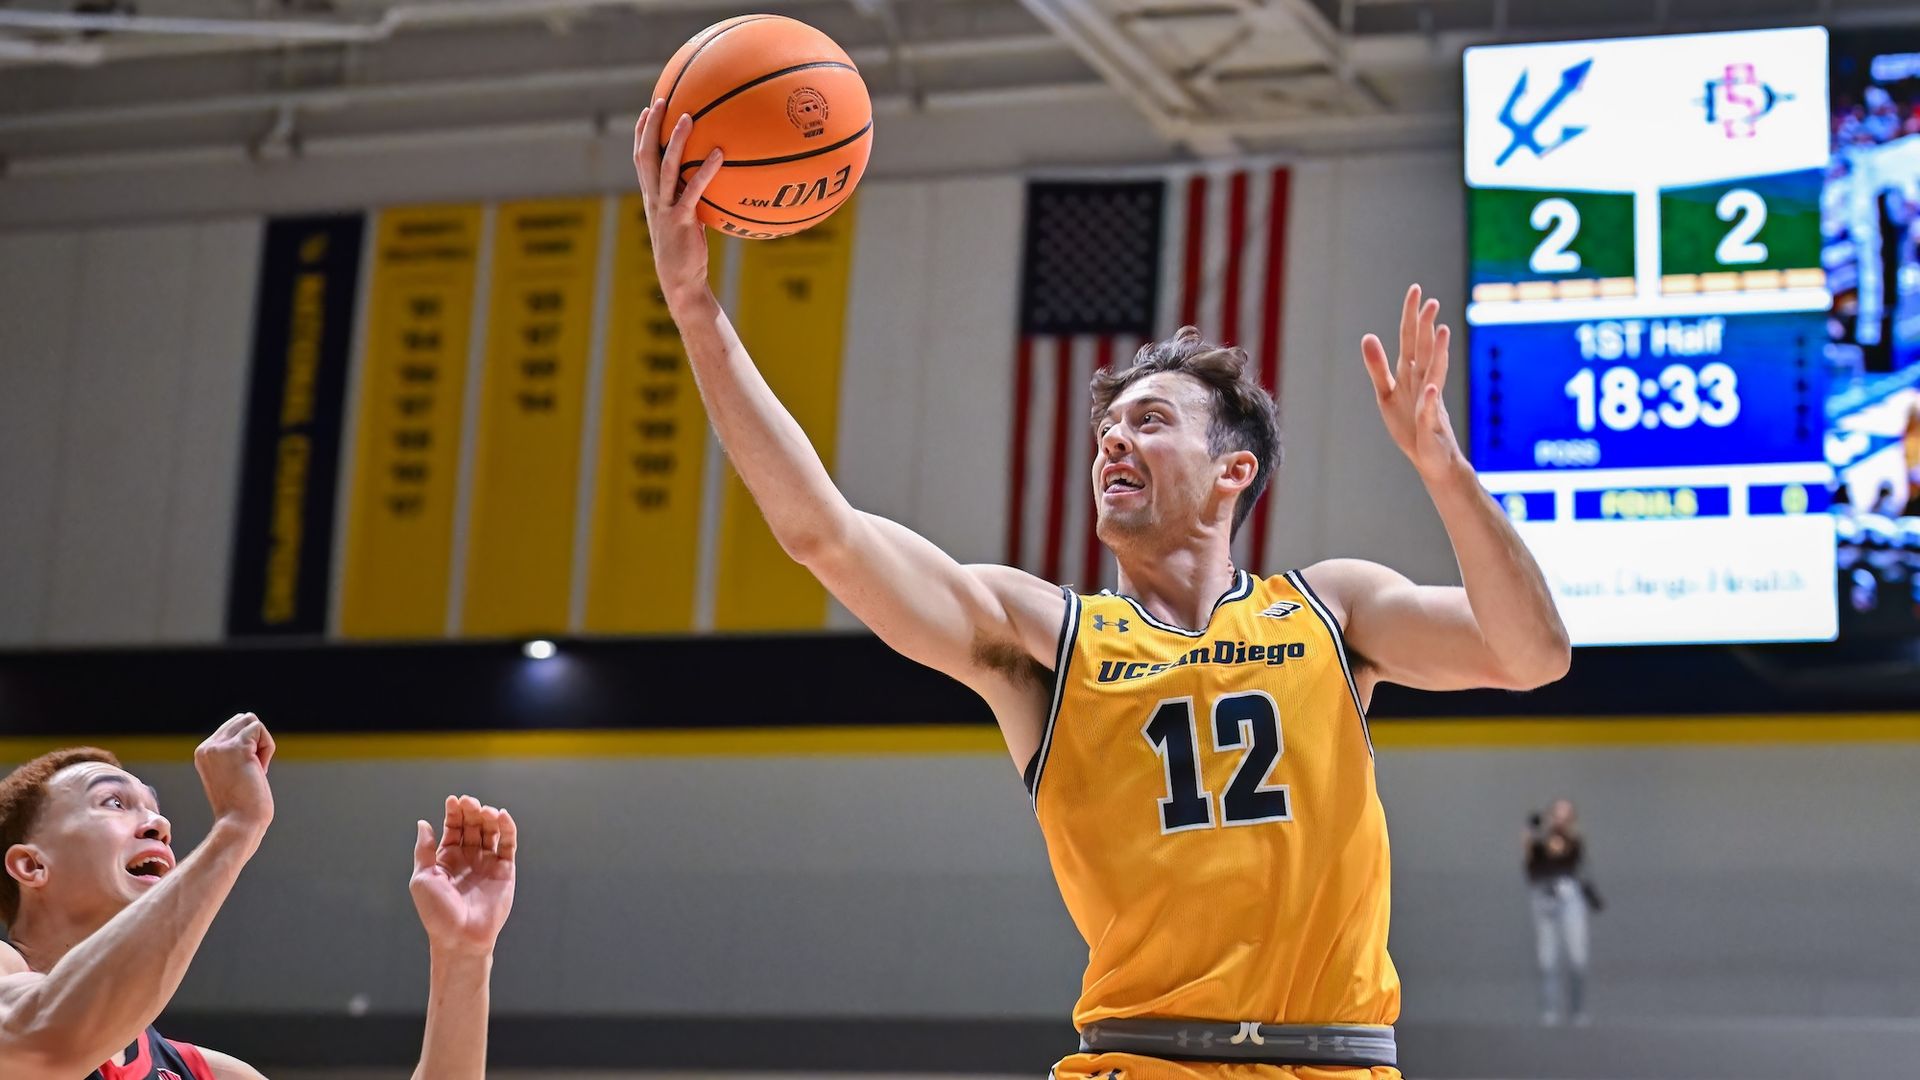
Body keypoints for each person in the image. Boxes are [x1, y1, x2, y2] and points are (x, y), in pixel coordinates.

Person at [633, 104, 1569, 1080]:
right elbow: (823, 533)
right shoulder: (1045, 636)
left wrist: (1446, 472)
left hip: (1338, 1063)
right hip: (1139, 1061)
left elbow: (1532, 653)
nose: (1114, 439)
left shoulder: (1333, 611)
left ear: (1233, 471)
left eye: (1151, 420)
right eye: (1107, 430)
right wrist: (695, 307)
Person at [0, 713, 517, 1080]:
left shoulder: (207, 1072)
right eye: (113, 802)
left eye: (156, 809)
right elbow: (50, 1041)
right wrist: (236, 826)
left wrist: (463, 955)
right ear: (31, 865)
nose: (157, 823)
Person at [1524, 799, 1592, 1027]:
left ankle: (1577, 1010)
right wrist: (1534, 832)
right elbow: (1531, 861)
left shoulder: (1574, 840)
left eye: (1566, 815)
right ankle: (1549, 1010)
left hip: (1569, 895)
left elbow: (1570, 856)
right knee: (1547, 956)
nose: (1561, 820)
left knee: (1577, 956)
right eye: (1557, 814)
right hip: (1544, 895)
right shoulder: (1539, 841)